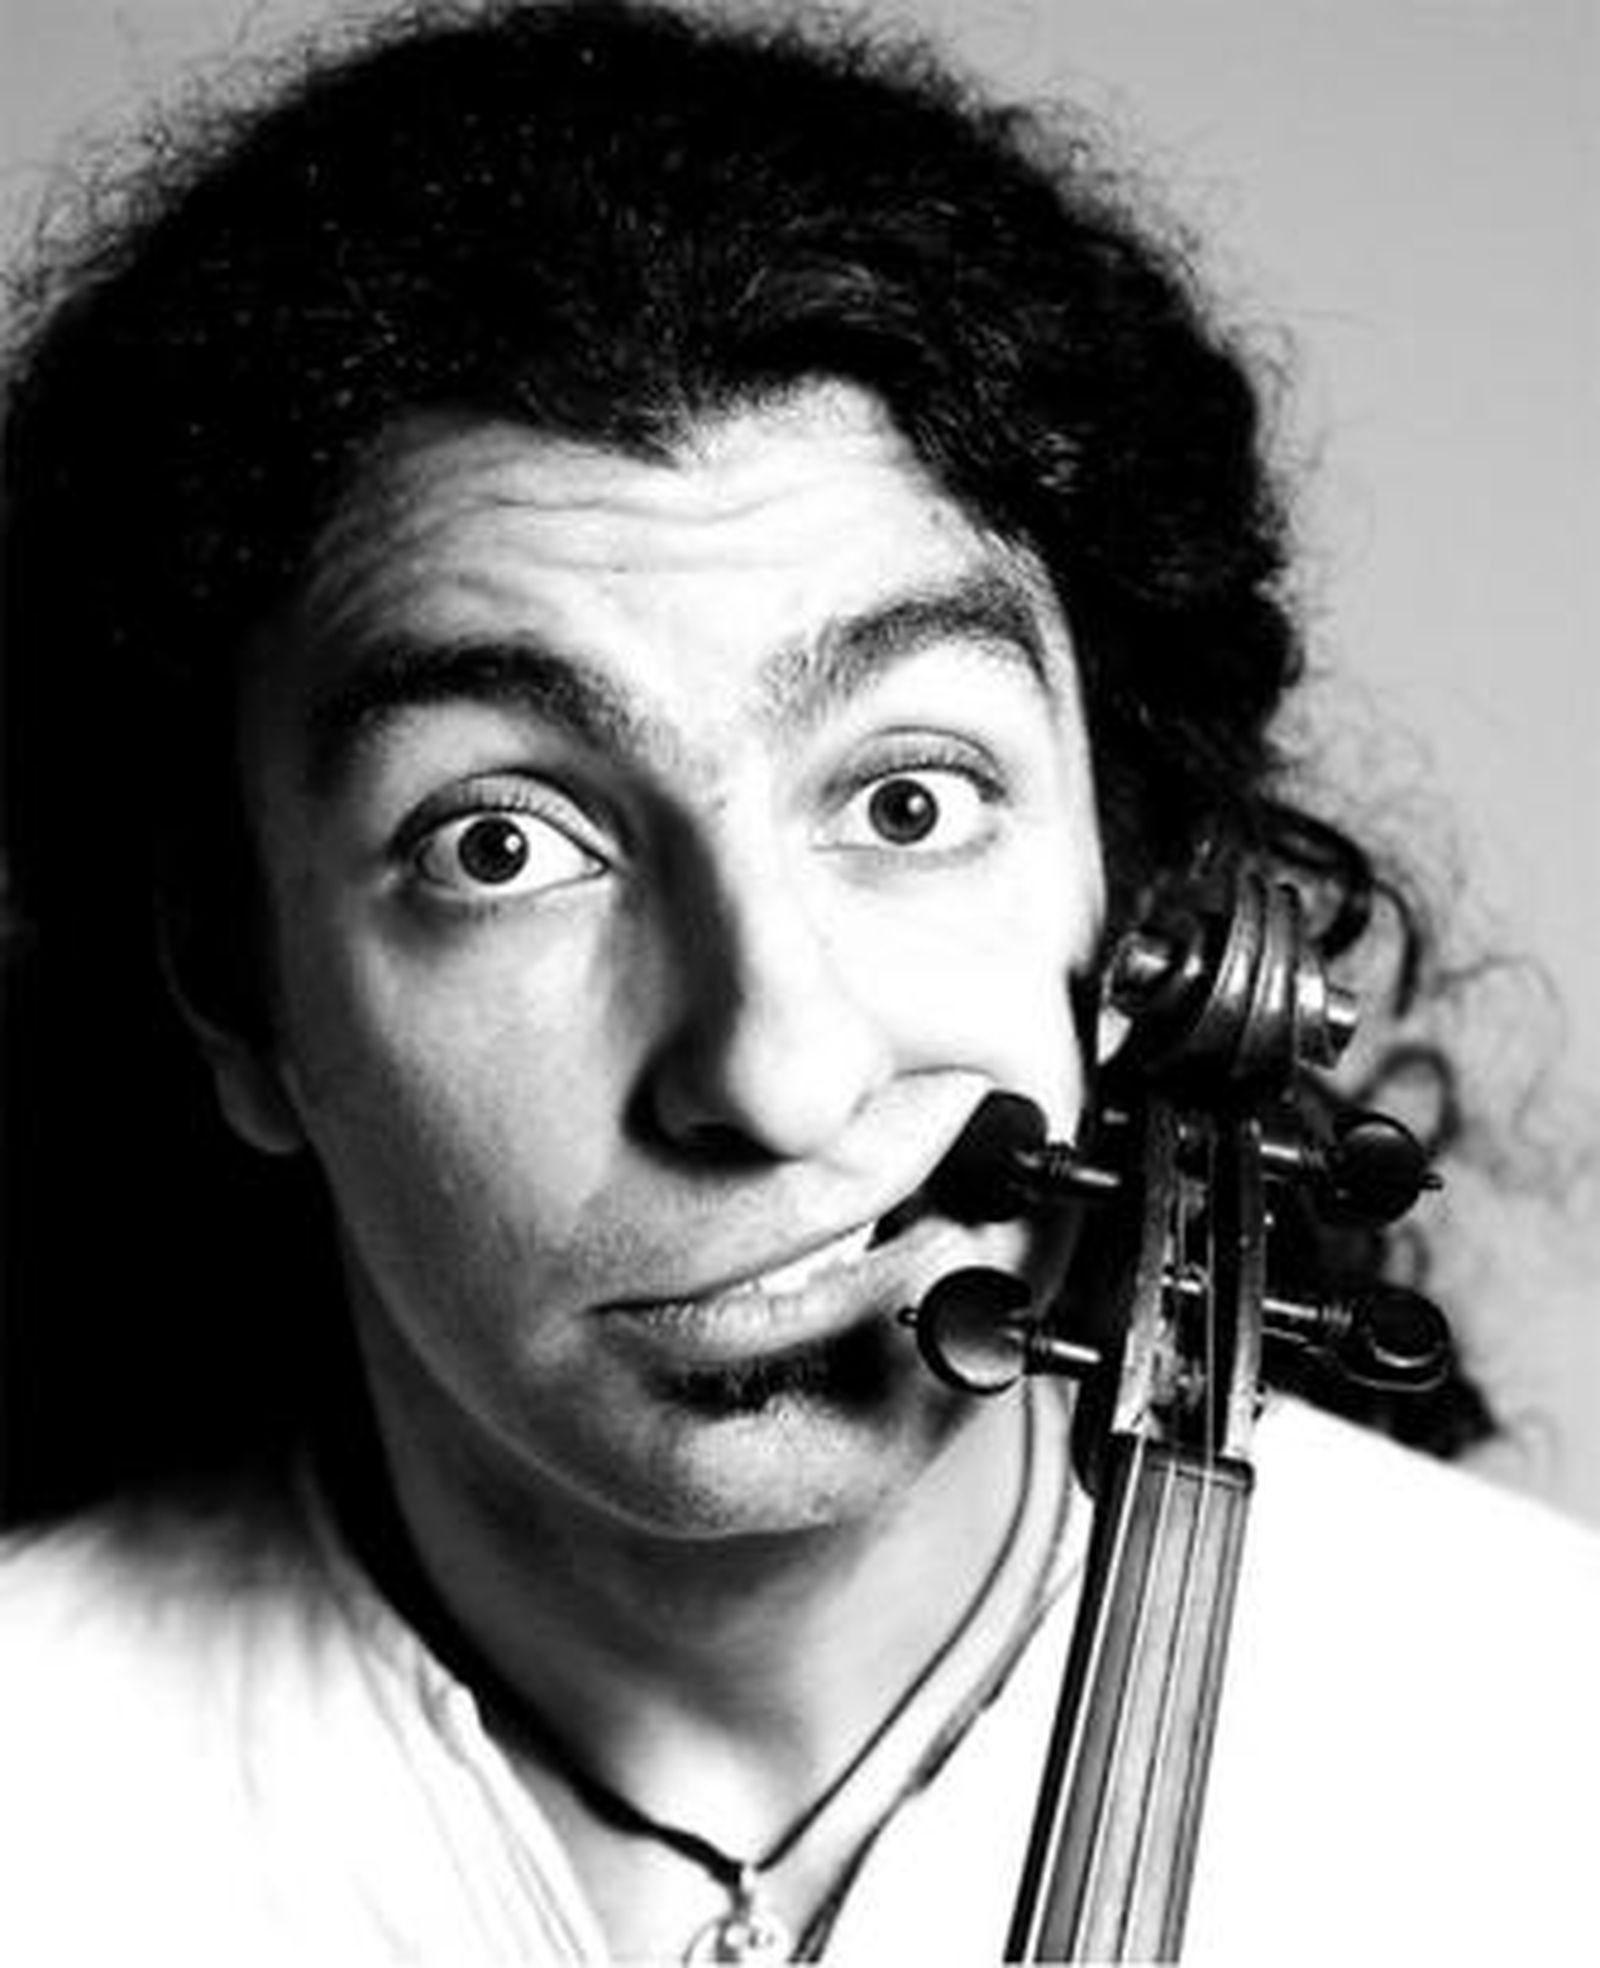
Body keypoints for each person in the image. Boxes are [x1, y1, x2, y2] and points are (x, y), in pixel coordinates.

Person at [0, 2, 1594, 1962]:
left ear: (1139, 917)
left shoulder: (1551, 1767)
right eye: (497, 845)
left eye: (909, 802)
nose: (772, 1074)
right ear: (236, 991)